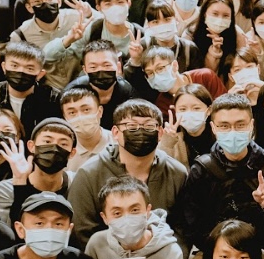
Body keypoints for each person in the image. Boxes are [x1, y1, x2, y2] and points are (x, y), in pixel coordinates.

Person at [174, 92, 264, 259]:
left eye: (240, 125)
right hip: (218, 256)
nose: (233, 132)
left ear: (251, 125)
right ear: (213, 128)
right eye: (224, 126)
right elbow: (192, 224)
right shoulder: (202, 170)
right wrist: (224, 248)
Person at [67, 98, 188, 240]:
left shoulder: (177, 173)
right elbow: (82, 231)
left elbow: (183, 229)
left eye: (149, 126)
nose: (140, 131)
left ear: (160, 133)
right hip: (105, 252)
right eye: (131, 126)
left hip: (164, 251)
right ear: (115, 132)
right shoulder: (88, 174)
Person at [0, 40, 60, 139]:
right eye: (14, 66)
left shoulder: (54, 98)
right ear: (4, 67)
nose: (20, 71)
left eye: (29, 68)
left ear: (40, 74)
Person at [0, 116, 77, 223]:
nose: (54, 148)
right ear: (31, 146)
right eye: (47, 141)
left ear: (72, 153)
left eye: (63, 144)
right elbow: (12, 230)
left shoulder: (77, 183)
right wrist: (20, 182)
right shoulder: (6, 189)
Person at [59, 85, 112, 170]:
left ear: (100, 111)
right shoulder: (61, 151)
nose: (80, 117)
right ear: (65, 118)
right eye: (72, 113)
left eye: (86, 110)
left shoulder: (119, 142)